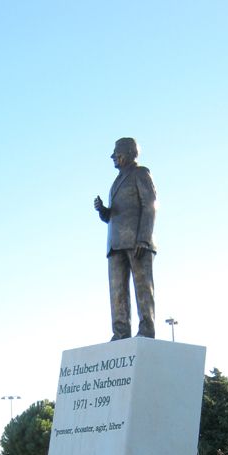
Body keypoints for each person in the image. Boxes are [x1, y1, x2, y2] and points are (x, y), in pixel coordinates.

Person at [94, 137, 157, 340]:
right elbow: (115, 215)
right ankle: (120, 333)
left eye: (117, 152)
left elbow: (150, 205)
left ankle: (147, 329)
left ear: (129, 153)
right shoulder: (115, 183)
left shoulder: (140, 173)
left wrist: (144, 239)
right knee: (117, 291)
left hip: (137, 241)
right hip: (115, 243)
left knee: (142, 288)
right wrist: (104, 211)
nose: (113, 156)